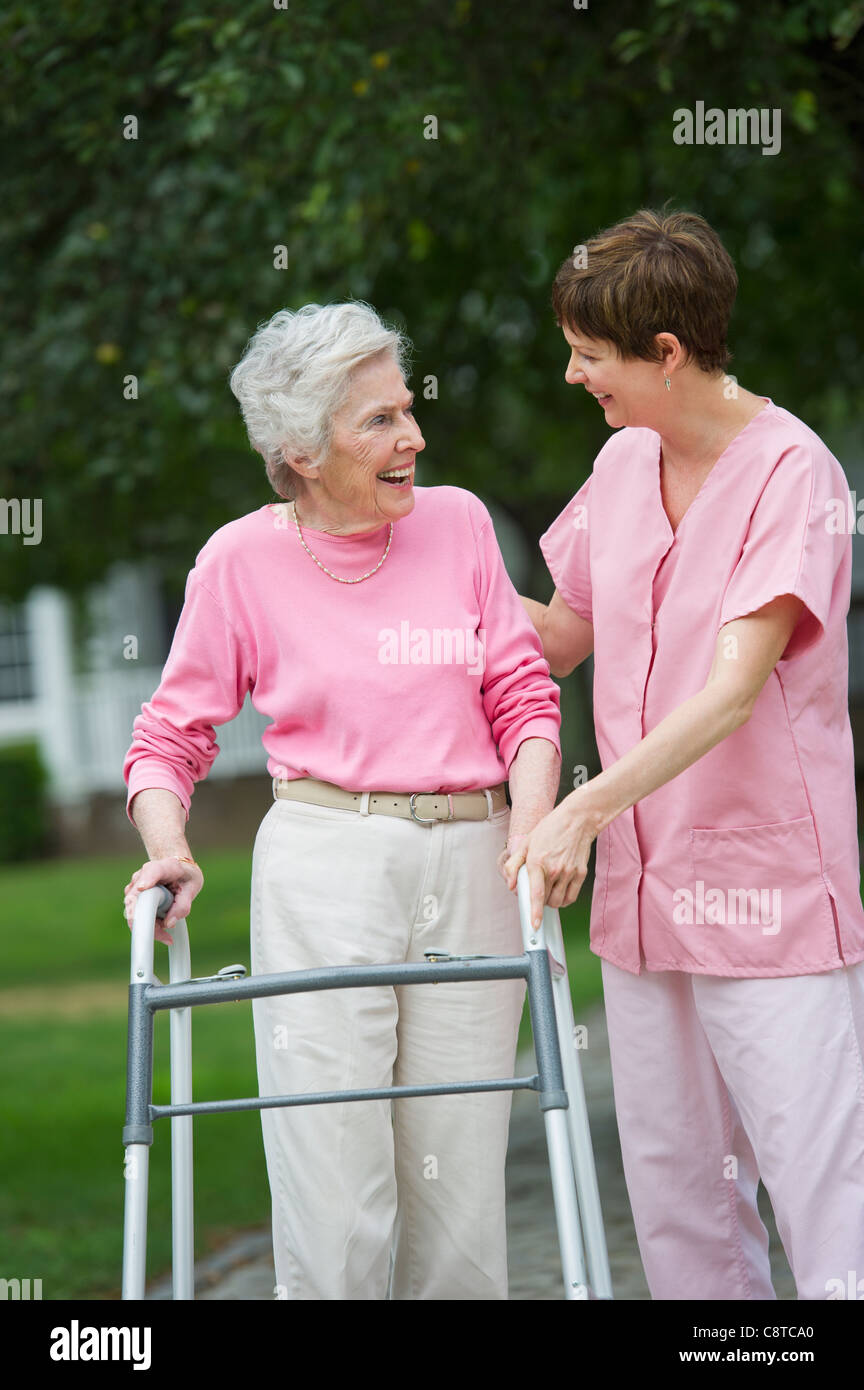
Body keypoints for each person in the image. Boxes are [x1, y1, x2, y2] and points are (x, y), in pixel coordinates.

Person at [121, 300, 562, 1301]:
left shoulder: (458, 526)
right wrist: (169, 845)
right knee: (333, 1175)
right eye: (377, 421)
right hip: (327, 860)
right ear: (300, 450)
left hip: (475, 853)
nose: (412, 436)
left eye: (406, 409)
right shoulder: (240, 560)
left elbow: (525, 696)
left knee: (460, 1182)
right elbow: (169, 735)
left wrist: (533, 825)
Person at [505, 208, 864, 1301]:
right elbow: (560, 636)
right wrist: (419, 583)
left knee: (823, 1196)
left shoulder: (793, 471)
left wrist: (577, 812)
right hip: (648, 907)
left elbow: (729, 692)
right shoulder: (622, 467)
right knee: (678, 1209)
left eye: (590, 354)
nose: (573, 376)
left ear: (667, 352)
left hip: (769, 899)